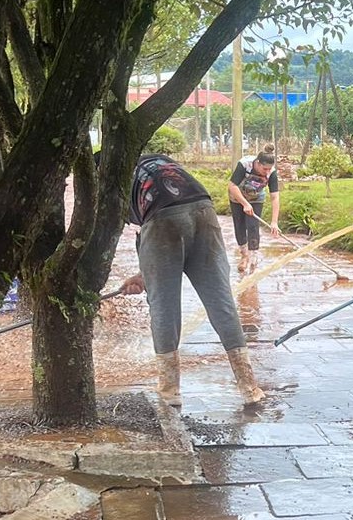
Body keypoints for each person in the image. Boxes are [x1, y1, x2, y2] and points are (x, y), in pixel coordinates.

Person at [119, 153, 265, 406]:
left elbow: (142, 230)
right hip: (204, 210)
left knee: (164, 307)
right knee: (221, 303)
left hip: (162, 218)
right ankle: (249, 387)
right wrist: (144, 274)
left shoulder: (114, 181)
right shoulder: (157, 160)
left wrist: (148, 276)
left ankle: (169, 391)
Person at [228, 144, 280, 273]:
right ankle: (244, 255)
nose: (267, 172)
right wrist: (245, 203)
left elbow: (275, 197)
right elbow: (232, 186)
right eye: (264, 169)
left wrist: (274, 222)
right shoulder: (244, 164)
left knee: (253, 226)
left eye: (269, 169)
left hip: (256, 198)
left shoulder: (272, 173)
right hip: (237, 197)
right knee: (239, 225)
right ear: (257, 163)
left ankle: (253, 257)